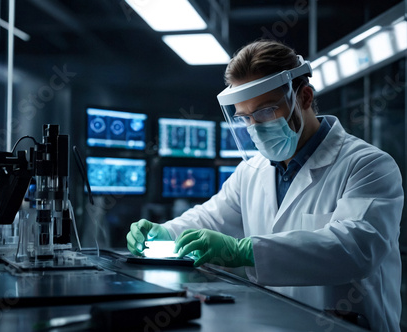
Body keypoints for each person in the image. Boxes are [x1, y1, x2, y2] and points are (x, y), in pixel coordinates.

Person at [126, 40, 404, 332]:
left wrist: (245, 251)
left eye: (266, 112)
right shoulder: (252, 171)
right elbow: (210, 219)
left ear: (305, 97)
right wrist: (164, 233)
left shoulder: (367, 165)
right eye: (245, 118)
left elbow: (355, 249)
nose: (255, 127)